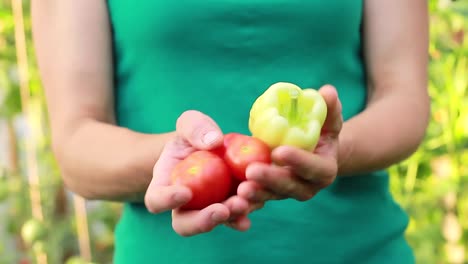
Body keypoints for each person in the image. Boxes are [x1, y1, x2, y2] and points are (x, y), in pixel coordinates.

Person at [31, 0, 430, 263]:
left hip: (360, 251)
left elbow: (403, 97)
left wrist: (336, 150)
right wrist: (187, 160)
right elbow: (76, 142)